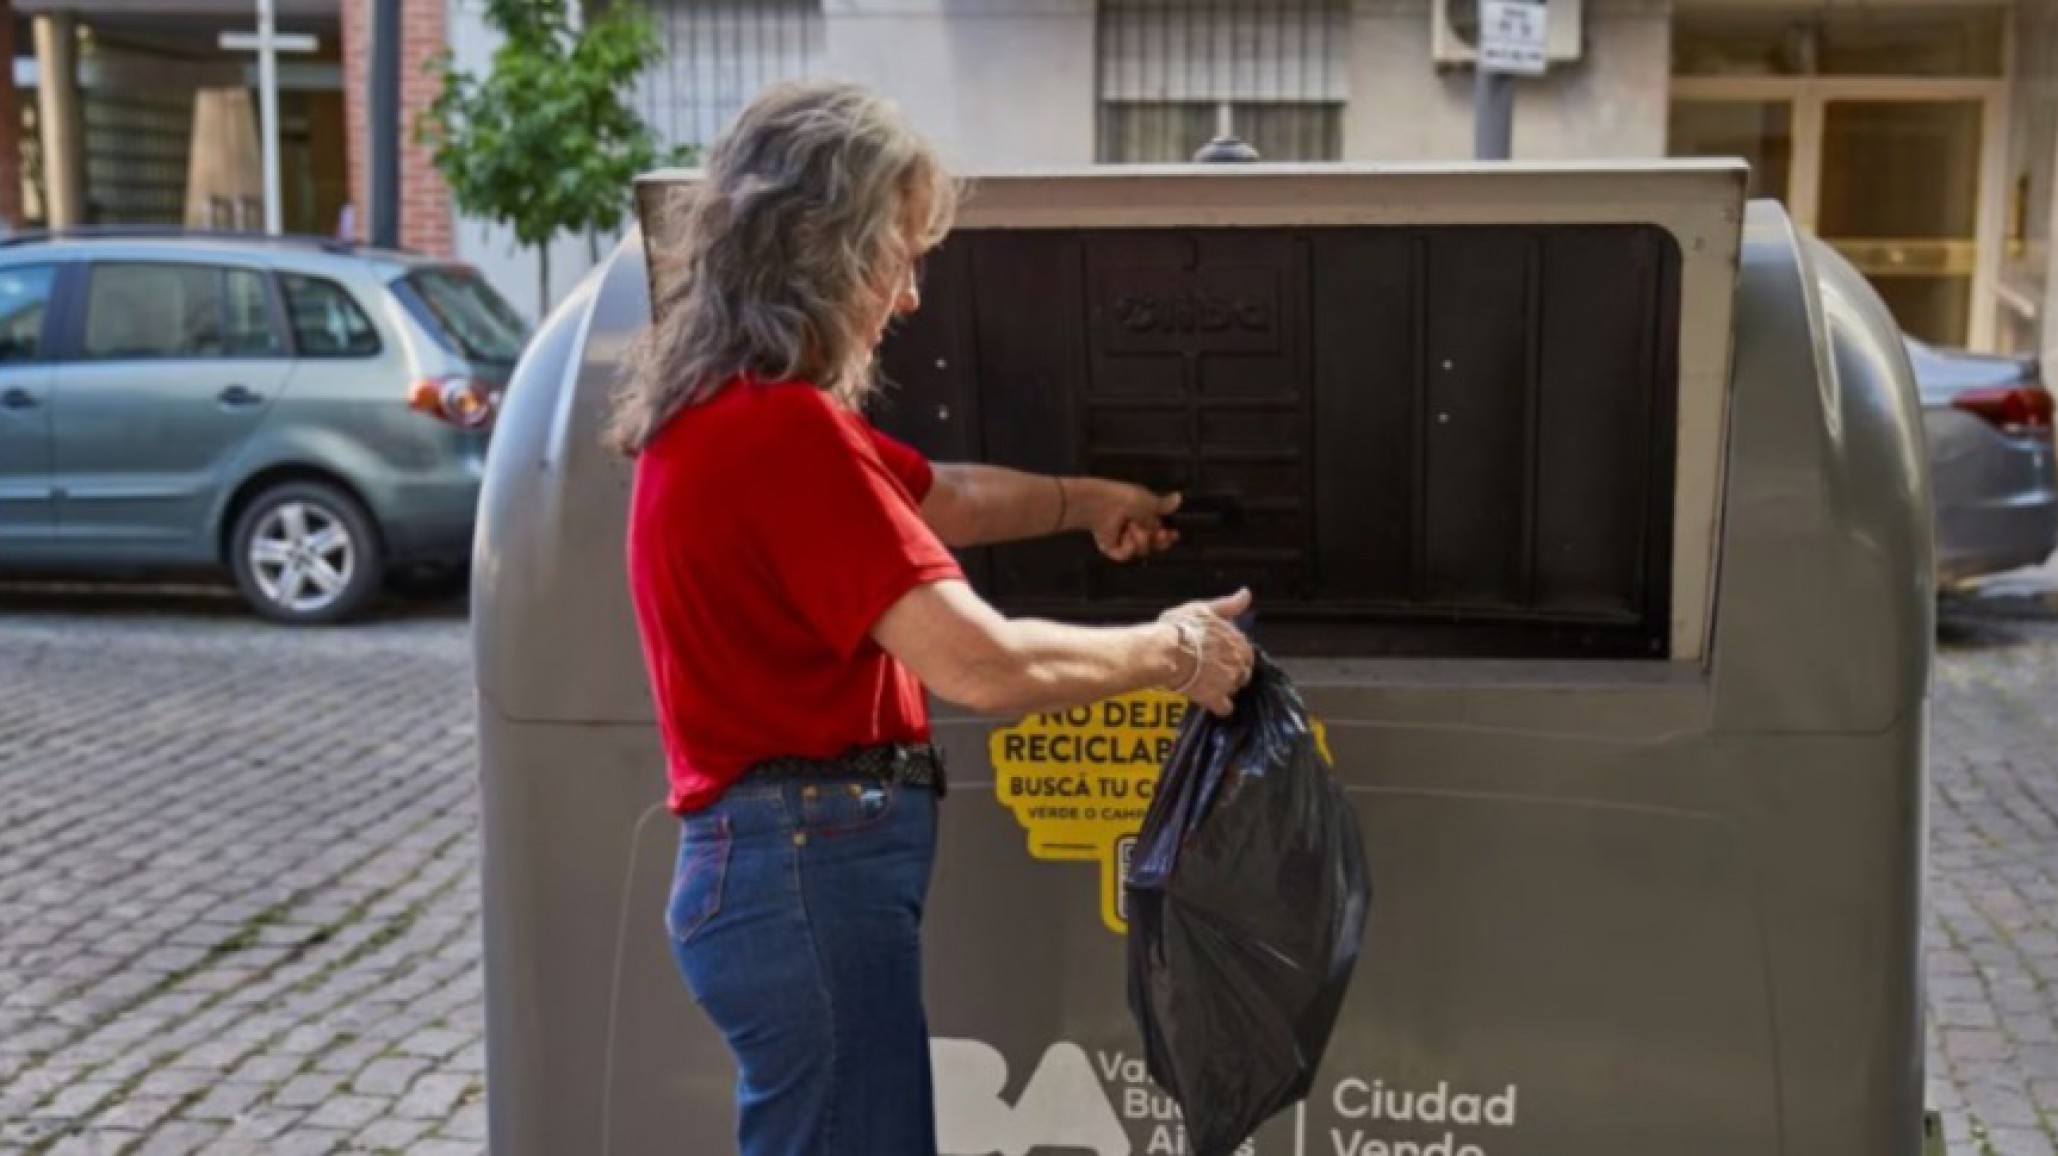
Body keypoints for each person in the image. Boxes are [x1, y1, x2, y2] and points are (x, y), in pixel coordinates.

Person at [607, 78, 1255, 1156]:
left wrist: (1090, 502)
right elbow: (982, 662)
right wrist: (1175, 652)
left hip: (776, 868)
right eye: (897, 258)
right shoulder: (782, 434)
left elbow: (940, 496)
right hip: (804, 868)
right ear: (826, 251)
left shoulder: (728, 413)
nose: (908, 297)